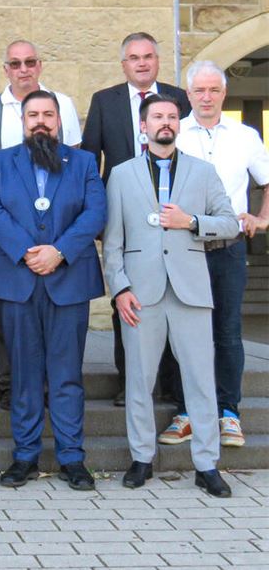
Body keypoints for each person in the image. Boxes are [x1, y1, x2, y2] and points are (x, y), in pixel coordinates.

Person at [103, 93, 237, 497]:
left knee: (200, 380)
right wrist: (119, 289)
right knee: (139, 381)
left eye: (172, 117)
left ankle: (207, 464)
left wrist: (191, 222)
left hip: (191, 291)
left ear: (179, 124)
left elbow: (230, 223)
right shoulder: (122, 175)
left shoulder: (203, 172)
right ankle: (141, 458)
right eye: (157, 117)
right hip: (140, 293)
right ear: (142, 126)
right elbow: (112, 242)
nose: (166, 122)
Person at [0, 90, 106, 492]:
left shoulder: (83, 162)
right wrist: (27, 251)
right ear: (23, 120)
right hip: (18, 281)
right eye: (33, 114)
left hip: (68, 281)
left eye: (48, 114)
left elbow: (96, 211)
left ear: (60, 120)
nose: (41, 121)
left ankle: (72, 458)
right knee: (24, 375)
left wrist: (60, 251)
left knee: (67, 375)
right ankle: (25, 457)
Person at [0, 41, 83, 410]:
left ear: (40, 65)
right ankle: (11, 382)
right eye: (15, 63)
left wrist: (58, 247)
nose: (23, 69)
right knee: (11, 309)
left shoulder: (62, 102)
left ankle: (51, 384)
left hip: (56, 224)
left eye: (30, 62)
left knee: (57, 310)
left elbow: (77, 163)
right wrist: (21, 245)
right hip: (9, 225)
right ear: (6, 69)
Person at [81, 32, 190, 407]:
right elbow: (89, 161)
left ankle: (174, 385)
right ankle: (130, 382)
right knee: (125, 296)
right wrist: (96, 215)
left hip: (174, 212)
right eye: (133, 58)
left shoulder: (180, 100)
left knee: (176, 296)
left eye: (147, 57)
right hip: (124, 213)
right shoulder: (104, 101)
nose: (141, 63)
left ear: (157, 61)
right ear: (123, 64)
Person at [164, 61, 269, 448]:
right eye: (199, 91)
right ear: (188, 94)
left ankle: (229, 413)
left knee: (227, 333)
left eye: (214, 90)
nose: (206, 97)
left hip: (227, 249)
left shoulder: (245, 136)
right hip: (185, 249)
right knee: (184, 333)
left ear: (224, 93)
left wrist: (261, 218)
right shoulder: (176, 135)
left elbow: (267, 180)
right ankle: (187, 411)